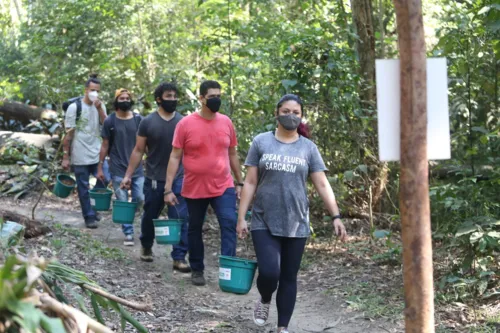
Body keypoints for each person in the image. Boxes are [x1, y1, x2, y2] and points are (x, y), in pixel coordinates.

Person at [236, 94, 348, 333]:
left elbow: (322, 183)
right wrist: (241, 217)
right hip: (263, 218)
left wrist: (336, 216)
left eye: (296, 112)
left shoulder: (308, 148)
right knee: (270, 272)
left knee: (288, 276)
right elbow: (251, 182)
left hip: (297, 222)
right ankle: (265, 298)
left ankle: (282, 328)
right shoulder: (261, 142)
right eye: (286, 111)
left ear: (301, 116)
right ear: (277, 113)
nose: (291, 116)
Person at [165, 80, 244, 286]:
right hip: (194, 187)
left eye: (219, 95)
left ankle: (227, 271)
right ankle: (197, 269)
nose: (216, 100)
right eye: (212, 96)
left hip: (223, 185)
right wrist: (168, 188)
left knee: (228, 223)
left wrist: (240, 181)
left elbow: (233, 153)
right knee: (194, 228)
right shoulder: (185, 124)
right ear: (201, 99)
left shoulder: (226, 122)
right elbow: (175, 156)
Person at [120, 82, 190, 273]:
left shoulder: (183, 122)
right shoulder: (147, 122)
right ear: (159, 99)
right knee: (151, 214)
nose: (173, 100)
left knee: (180, 218)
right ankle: (146, 244)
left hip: (179, 177)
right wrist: (128, 175)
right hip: (154, 178)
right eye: (169, 96)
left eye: (175, 96)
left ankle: (179, 256)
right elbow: (138, 150)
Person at [62, 74, 110, 229]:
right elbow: (68, 133)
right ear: (85, 90)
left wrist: (99, 109)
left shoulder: (100, 106)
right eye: (91, 90)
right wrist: (65, 156)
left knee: (105, 178)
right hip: (79, 153)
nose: (94, 93)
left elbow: (107, 125)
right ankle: (89, 216)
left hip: (97, 152)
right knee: (83, 187)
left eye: (97, 90)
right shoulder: (74, 107)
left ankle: (93, 205)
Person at [98, 88, 144, 246]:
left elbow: (146, 144)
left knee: (140, 198)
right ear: (116, 101)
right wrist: (99, 167)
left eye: (127, 98)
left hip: (137, 168)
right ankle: (128, 232)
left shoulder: (139, 120)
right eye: (122, 98)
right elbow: (105, 145)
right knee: (123, 201)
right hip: (117, 167)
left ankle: (133, 221)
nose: (125, 100)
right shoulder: (110, 121)